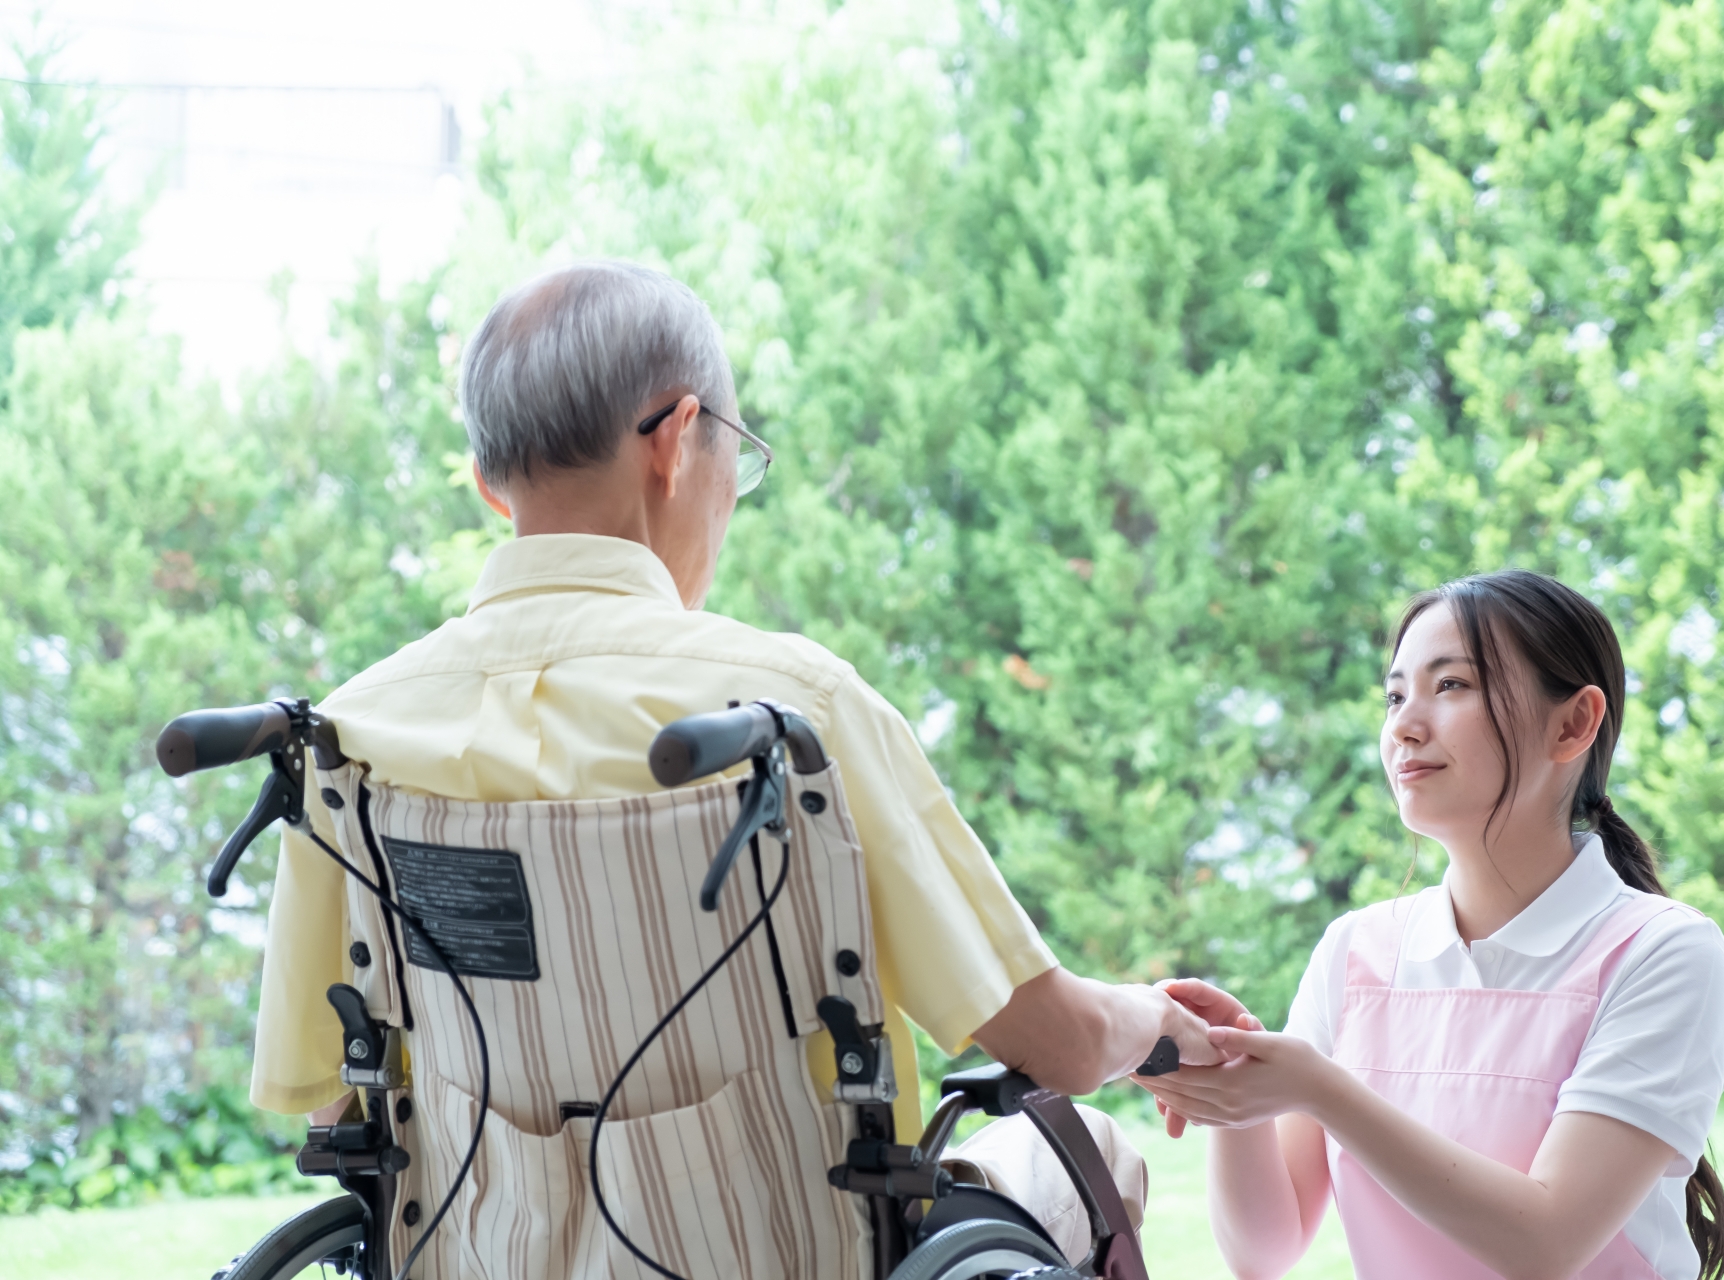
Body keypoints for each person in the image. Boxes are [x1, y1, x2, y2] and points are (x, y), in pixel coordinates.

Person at [250, 260, 1218, 1260]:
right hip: (785, 1250)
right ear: (676, 440)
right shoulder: (794, 708)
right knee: (1086, 1145)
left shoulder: (351, 736)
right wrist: (1154, 1019)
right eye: (737, 457)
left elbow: (334, 1109)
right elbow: (1049, 1038)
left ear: (496, 486)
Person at [1136, 569, 1724, 1280]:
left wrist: (1319, 1087)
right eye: (1394, 696)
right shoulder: (1356, 950)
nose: (1404, 727)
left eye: (1451, 685)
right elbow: (1263, 1252)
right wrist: (1234, 1081)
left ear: (1574, 723)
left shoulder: (1663, 953)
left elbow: (1545, 1243)